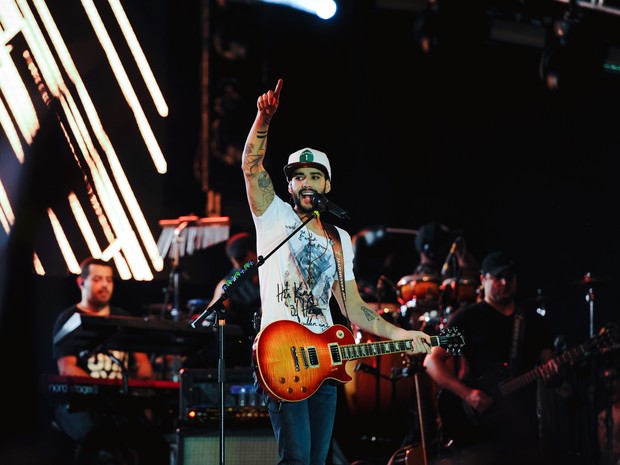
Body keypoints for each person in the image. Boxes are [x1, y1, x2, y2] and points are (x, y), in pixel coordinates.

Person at [241, 78, 432, 465]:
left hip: (325, 362)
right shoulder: (273, 215)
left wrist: (404, 334)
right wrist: (264, 118)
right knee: (295, 459)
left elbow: (354, 308)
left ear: (327, 184)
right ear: (290, 185)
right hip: (282, 354)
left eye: (314, 176)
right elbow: (250, 166)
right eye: (299, 176)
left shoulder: (339, 238)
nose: (306, 182)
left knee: (316, 459)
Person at [423, 251, 560, 465]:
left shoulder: (532, 322)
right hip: (479, 434)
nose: (505, 282)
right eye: (498, 277)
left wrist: (554, 372)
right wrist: (468, 394)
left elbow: (551, 373)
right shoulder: (468, 318)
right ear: (483, 279)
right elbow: (432, 361)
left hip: (523, 433)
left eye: (509, 276)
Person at [51, 257, 170, 465]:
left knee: (154, 442)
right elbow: (67, 367)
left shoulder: (123, 318)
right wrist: (102, 389)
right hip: (80, 403)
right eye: (97, 279)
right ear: (82, 282)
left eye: (109, 280)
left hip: (121, 403)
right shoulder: (68, 319)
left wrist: (140, 380)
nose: (105, 285)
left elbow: (141, 362)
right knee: (94, 438)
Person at [207, 231, 262, 365]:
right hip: (246, 341)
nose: (239, 265)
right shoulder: (228, 283)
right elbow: (213, 313)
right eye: (236, 262)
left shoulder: (270, 272)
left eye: (243, 259)